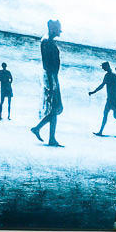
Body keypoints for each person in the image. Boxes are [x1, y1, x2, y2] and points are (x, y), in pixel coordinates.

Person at [30, 19, 64, 147]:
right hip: (51, 77)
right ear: (53, 29)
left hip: (52, 77)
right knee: (56, 107)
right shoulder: (47, 42)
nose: (60, 31)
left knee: (56, 108)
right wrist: (52, 82)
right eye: (58, 29)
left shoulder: (47, 41)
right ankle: (50, 137)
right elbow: (48, 65)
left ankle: (40, 130)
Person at [90, 62, 116, 137]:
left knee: (111, 115)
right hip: (114, 99)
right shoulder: (115, 75)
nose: (102, 68)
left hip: (111, 100)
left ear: (106, 66)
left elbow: (102, 86)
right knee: (112, 115)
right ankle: (101, 131)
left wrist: (93, 92)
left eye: (103, 67)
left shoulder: (108, 75)